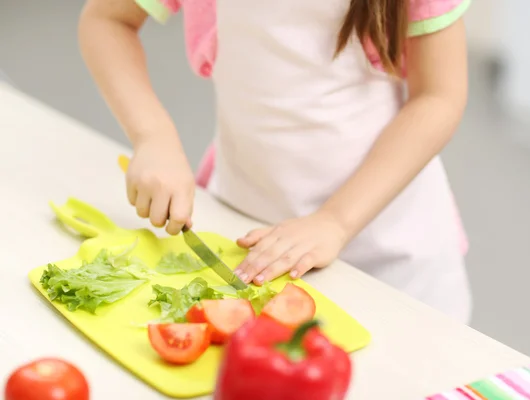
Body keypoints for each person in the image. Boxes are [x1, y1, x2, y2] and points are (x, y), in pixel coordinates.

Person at [78, 0, 473, 324]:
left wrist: (334, 221)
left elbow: (439, 96)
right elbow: (107, 20)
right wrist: (153, 137)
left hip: (389, 251)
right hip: (248, 236)